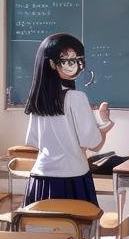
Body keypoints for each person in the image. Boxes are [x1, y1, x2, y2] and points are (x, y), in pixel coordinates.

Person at [23, 32, 114, 206]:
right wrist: (105, 123)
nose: (78, 66)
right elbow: (94, 144)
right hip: (72, 178)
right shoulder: (76, 98)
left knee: (41, 231)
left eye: (79, 60)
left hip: (39, 179)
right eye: (69, 61)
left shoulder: (38, 100)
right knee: (76, 231)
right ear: (51, 63)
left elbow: (34, 141)